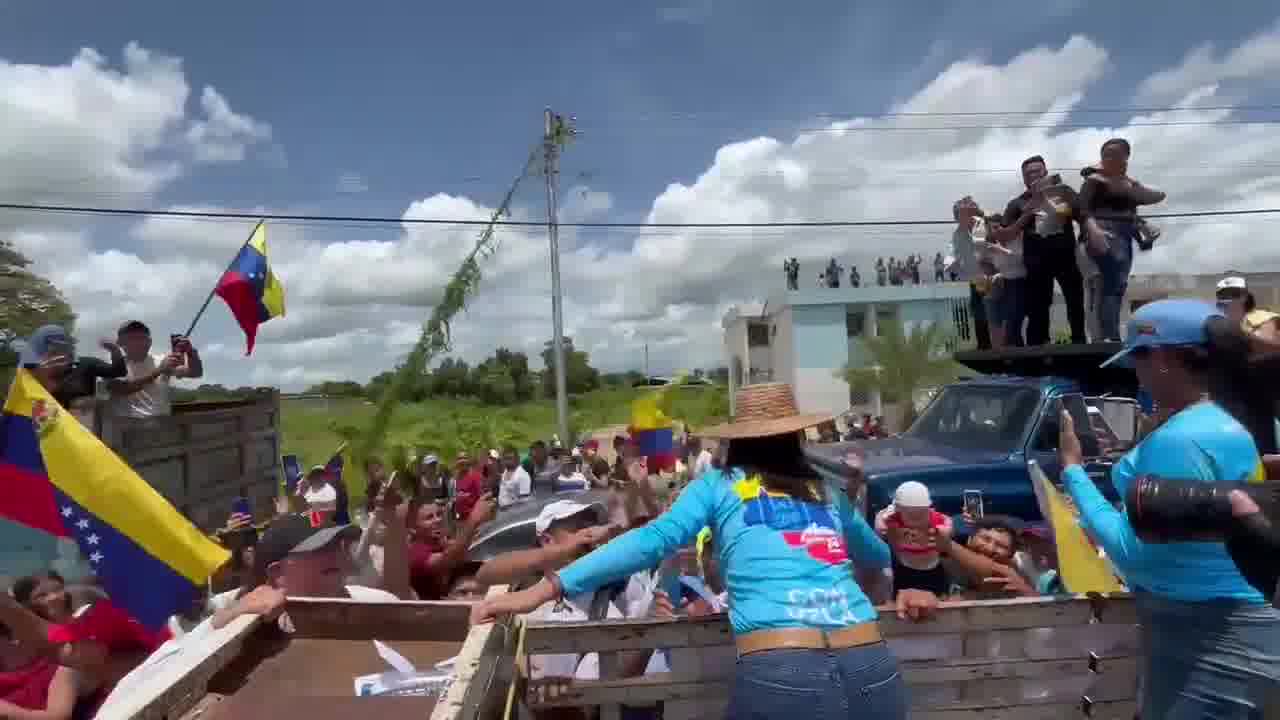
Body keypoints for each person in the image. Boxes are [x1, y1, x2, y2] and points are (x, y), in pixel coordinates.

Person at [471, 384, 939, 719]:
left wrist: (542, 590)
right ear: (796, 439)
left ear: (736, 440)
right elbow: (881, 555)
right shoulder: (826, 494)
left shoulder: (718, 485)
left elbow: (652, 540)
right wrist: (917, 584)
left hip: (782, 671)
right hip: (870, 664)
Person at [1057, 299, 1280, 717]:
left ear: (1161, 358)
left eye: (1137, 360)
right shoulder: (1226, 423)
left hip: (1202, 639)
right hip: (1245, 629)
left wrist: (1073, 472)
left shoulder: (1178, 440)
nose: (1136, 374)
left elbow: (1137, 556)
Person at [1078, 138, 1166, 341]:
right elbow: (1082, 209)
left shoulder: (1128, 188)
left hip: (1123, 240)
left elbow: (1158, 196)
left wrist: (1130, 182)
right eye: (1105, 154)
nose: (1108, 157)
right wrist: (1094, 230)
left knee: (1118, 286)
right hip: (1099, 235)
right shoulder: (1093, 181)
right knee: (1102, 286)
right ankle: (1101, 338)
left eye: (1114, 153)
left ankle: (1113, 335)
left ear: (1126, 157)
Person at [999, 157, 1088, 346]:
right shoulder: (1017, 203)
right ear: (1023, 179)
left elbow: (1084, 216)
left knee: (1074, 298)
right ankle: (1039, 344)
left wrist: (1087, 238)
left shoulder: (1064, 192)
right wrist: (1028, 212)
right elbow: (1004, 235)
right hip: (1036, 260)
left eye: (1037, 171)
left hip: (1065, 256)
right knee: (1038, 305)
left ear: (1046, 172)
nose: (1033, 176)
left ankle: (1078, 340)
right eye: (1028, 173)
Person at [407, 494, 495, 600]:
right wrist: (473, 520)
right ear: (413, 528)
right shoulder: (416, 553)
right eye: (429, 518)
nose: (437, 520)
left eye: (439, 514)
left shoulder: (439, 543)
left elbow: (462, 546)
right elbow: (449, 559)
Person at [108, 320, 202, 419]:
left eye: (142, 338)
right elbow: (122, 389)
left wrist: (191, 352)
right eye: (132, 338)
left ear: (150, 342)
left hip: (160, 426)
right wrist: (159, 370)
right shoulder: (113, 366)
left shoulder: (162, 360)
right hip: (126, 427)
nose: (138, 342)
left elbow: (196, 372)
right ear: (120, 343)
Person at [874, 481, 952, 597]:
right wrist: (881, 523)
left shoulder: (935, 518)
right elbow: (880, 522)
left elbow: (947, 521)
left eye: (921, 514)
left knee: (938, 598)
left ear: (928, 508)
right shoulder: (893, 519)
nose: (916, 519)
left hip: (933, 568)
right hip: (904, 567)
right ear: (899, 510)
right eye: (911, 515)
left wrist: (946, 530)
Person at [948, 197, 992, 350]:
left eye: (964, 213)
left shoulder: (983, 227)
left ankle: (993, 345)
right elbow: (957, 256)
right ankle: (984, 345)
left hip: (989, 277)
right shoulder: (958, 234)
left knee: (990, 312)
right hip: (973, 279)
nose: (961, 218)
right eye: (959, 214)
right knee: (979, 312)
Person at [1216, 275, 1280, 342]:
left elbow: (1268, 345)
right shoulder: (1220, 322)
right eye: (1222, 296)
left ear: (1245, 297)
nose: (1227, 299)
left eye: (1234, 294)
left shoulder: (1262, 318)